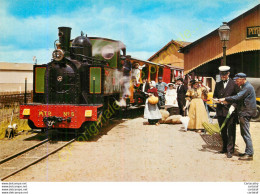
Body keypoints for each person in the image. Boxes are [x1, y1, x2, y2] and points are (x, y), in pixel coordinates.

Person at [218, 73, 257, 161]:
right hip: (245, 112)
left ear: (242, 79)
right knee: (244, 133)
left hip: (246, 112)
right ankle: (248, 151)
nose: (235, 82)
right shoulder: (245, 86)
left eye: (237, 80)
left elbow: (238, 96)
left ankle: (249, 154)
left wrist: (225, 99)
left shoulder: (247, 87)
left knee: (245, 134)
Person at [213, 66, 239, 158]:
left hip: (230, 111)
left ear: (228, 74)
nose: (223, 76)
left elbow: (238, 98)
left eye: (224, 74)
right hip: (220, 111)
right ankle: (224, 147)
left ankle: (230, 150)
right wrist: (216, 100)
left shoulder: (234, 84)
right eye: (221, 75)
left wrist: (233, 106)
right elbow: (215, 95)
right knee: (223, 131)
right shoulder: (218, 84)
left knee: (231, 131)